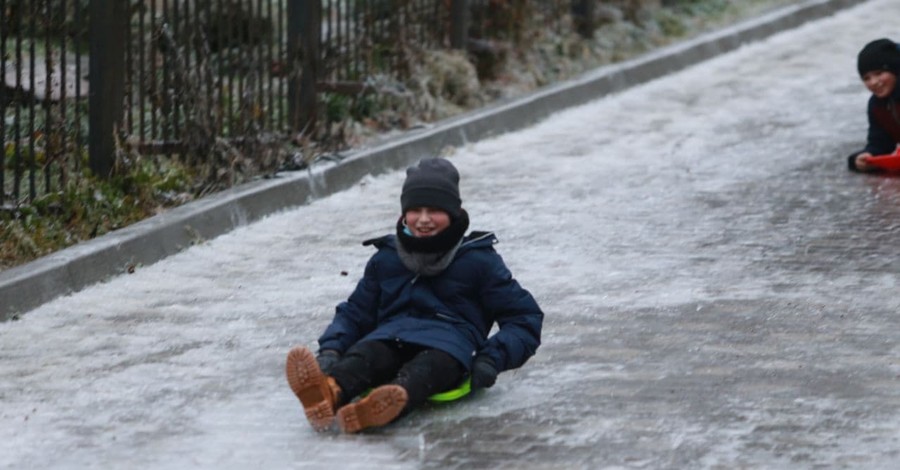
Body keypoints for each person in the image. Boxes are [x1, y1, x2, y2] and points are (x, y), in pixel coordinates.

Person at [285, 158, 544, 433]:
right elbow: (356, 311)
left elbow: (523, 317)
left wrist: (492, 358)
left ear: (455, 212)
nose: (423, 219)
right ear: (403, 214)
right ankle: (329, 391)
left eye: (434, 210)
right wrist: (332, 348)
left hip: (449, 344)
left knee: (427, 370)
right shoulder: (388, 258)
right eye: (415, 210)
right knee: (366, 355)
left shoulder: (478, 261)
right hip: (390, 335)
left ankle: (383, 404)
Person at [848, 38, 900, 172]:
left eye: (879, 73)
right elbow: (880, 143)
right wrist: (867, 156)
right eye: (866, 78)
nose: (874, 82)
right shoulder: (876, 105)